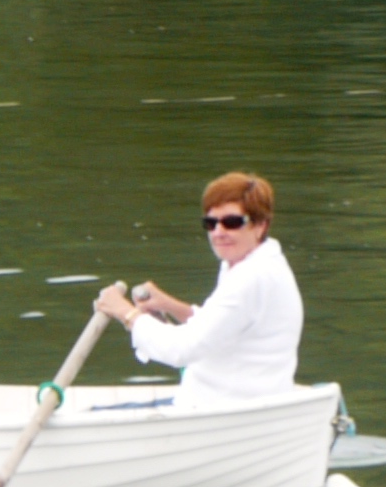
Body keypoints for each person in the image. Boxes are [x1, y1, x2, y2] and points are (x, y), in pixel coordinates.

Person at [96, 172, 302, 411]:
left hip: (225, 410)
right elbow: (222, 325)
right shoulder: (256, 263)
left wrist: (125, 312)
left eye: (232, 222)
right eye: (211, 223)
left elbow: (182, 350)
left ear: (260, 226)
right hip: (232, 405)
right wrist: (168, 305)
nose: (218, 232)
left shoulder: (250, 277)